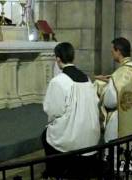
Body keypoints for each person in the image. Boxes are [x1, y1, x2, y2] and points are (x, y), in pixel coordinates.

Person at [41, 42, 100, 176]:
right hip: (91, 134)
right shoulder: (86, 79)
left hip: (73, 138)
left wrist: (52, 123)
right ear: (73, 57)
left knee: (46, 136)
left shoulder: (58, 81)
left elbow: (52, 110)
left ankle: (54, 172)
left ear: (58, 59)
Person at [95, 37, 132, 142]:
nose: (112, 53)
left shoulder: (119, 74)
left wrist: (102, 88)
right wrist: (110, 82)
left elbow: (109, 102)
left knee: (118, 153)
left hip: (120, 123)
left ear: (118, 51)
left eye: (112, 51)